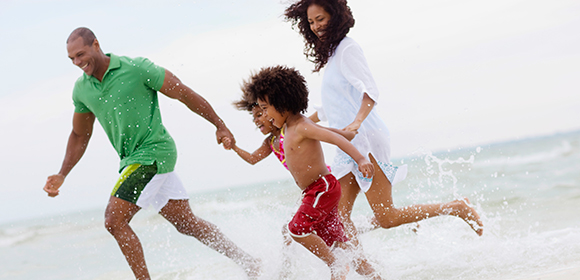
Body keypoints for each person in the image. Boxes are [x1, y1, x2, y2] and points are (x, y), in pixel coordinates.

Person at [42, 27, 260, 280]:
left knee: (114, 221)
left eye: (81, 54)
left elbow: (182, 91)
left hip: (153, 153)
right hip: (132, 161)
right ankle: (249, 262)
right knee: (186, 223)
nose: (78, 63)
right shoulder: (82, 89)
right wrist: (62, 173)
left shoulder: (136, 68)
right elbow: (80, 135)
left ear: (96, 45)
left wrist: (219, 124)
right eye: (72, 59)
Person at [284, 0, 484, 273]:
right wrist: (294, 125)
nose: (317, 26)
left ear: (336, 15)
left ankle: (456, 207)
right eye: (311, 22)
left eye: (321, 18)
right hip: (347, 145)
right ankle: (368, 272)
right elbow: (328, 107)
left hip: (365, 138)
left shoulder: (348, 49)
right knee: (340, 218)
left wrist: (356, 123)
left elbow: (371, 90)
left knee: (386, 216)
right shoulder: (332, 55)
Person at [243, 65, 376, 280]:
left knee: (297, 229)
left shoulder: (301, 126)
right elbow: (331, 133)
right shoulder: (288, 128)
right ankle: (375, 275)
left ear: (282, 103)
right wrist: (343, 132)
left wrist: (360, 158)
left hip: (322, 188)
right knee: (338, 244)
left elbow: (334, 139)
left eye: (265, 108)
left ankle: (335, 267)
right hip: (315, 191)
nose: (265, 114)